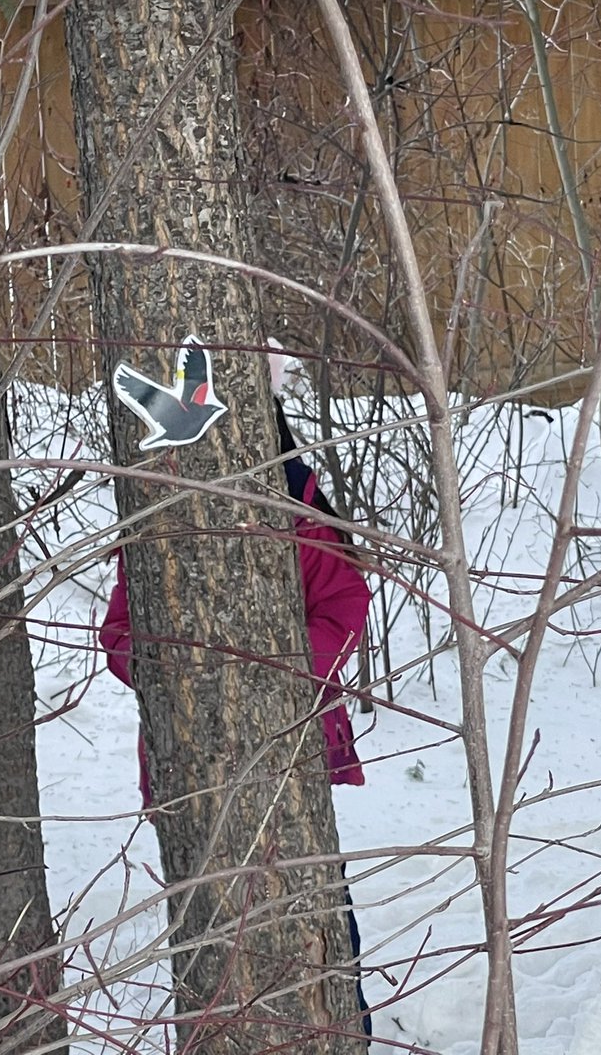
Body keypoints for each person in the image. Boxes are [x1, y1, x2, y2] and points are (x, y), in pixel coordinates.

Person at [99, 396, 373, 1037]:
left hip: (288, 742)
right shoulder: (155, 515)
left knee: (314, 896)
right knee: (206, 913)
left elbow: (344, 599)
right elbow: (118, 630)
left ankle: (345, 1029)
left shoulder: (296, 506)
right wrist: (166, 673)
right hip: (188, 755)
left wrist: (276, 670)